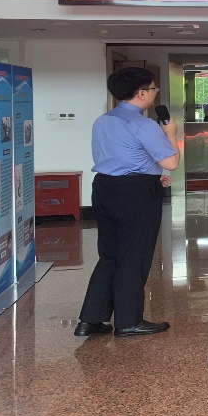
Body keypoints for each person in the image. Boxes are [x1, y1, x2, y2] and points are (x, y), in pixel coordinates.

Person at [76, 67, 178, 338]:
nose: (155, 93)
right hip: (135, 193)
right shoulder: (144, 125)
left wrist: (152, 174)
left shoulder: (103, 120)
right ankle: (128, 321)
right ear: (141, 93)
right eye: (153, 89)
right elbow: (171, 162)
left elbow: (121, 156)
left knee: (110, 255)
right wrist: (171, 133)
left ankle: (91, 319)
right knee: (134, 256)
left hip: (105, 188)